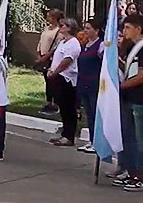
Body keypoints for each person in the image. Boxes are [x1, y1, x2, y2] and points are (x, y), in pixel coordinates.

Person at [114, 14, 143, 192]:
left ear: (138, 28)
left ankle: (141, 176)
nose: (124, 31)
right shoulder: (131, 46)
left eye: (127, 28)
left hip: (141, 98)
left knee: (141, 138)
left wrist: (120, 86)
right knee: (129, 136)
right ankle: (130, 171)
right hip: (129, 97)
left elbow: (141, 76)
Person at [47, 18, 81, 147]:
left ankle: (69, 135)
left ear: (69, 28)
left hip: (66, 78)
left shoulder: (73, 43)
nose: (60, 27)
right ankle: (64, 133)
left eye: (62, 26)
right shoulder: (62, 42)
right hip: (57, 77)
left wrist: (55, 72)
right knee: (62, 106)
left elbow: (67, 60)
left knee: (68, 108)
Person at [76, 19, 103, 154]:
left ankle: (97, 141)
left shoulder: (101, 45)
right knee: (89, 114)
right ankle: (92, 140)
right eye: (85, 28)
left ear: (96, 30)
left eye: (88, 28)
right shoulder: (85, 45)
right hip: (84, 83)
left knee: (95, 113)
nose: (86, 31)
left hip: (94, 84)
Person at [36, 9, 62, 114]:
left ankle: (55, 103)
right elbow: (41, 41)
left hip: (51, 58)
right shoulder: (47, 28)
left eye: (50, 16)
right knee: (47, 81)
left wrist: (46, 56)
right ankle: (48, 102)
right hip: (42, 56)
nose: (48, 18)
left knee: (52, 81)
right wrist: (39, 53)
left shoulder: (58, 31)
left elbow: (56, 46)